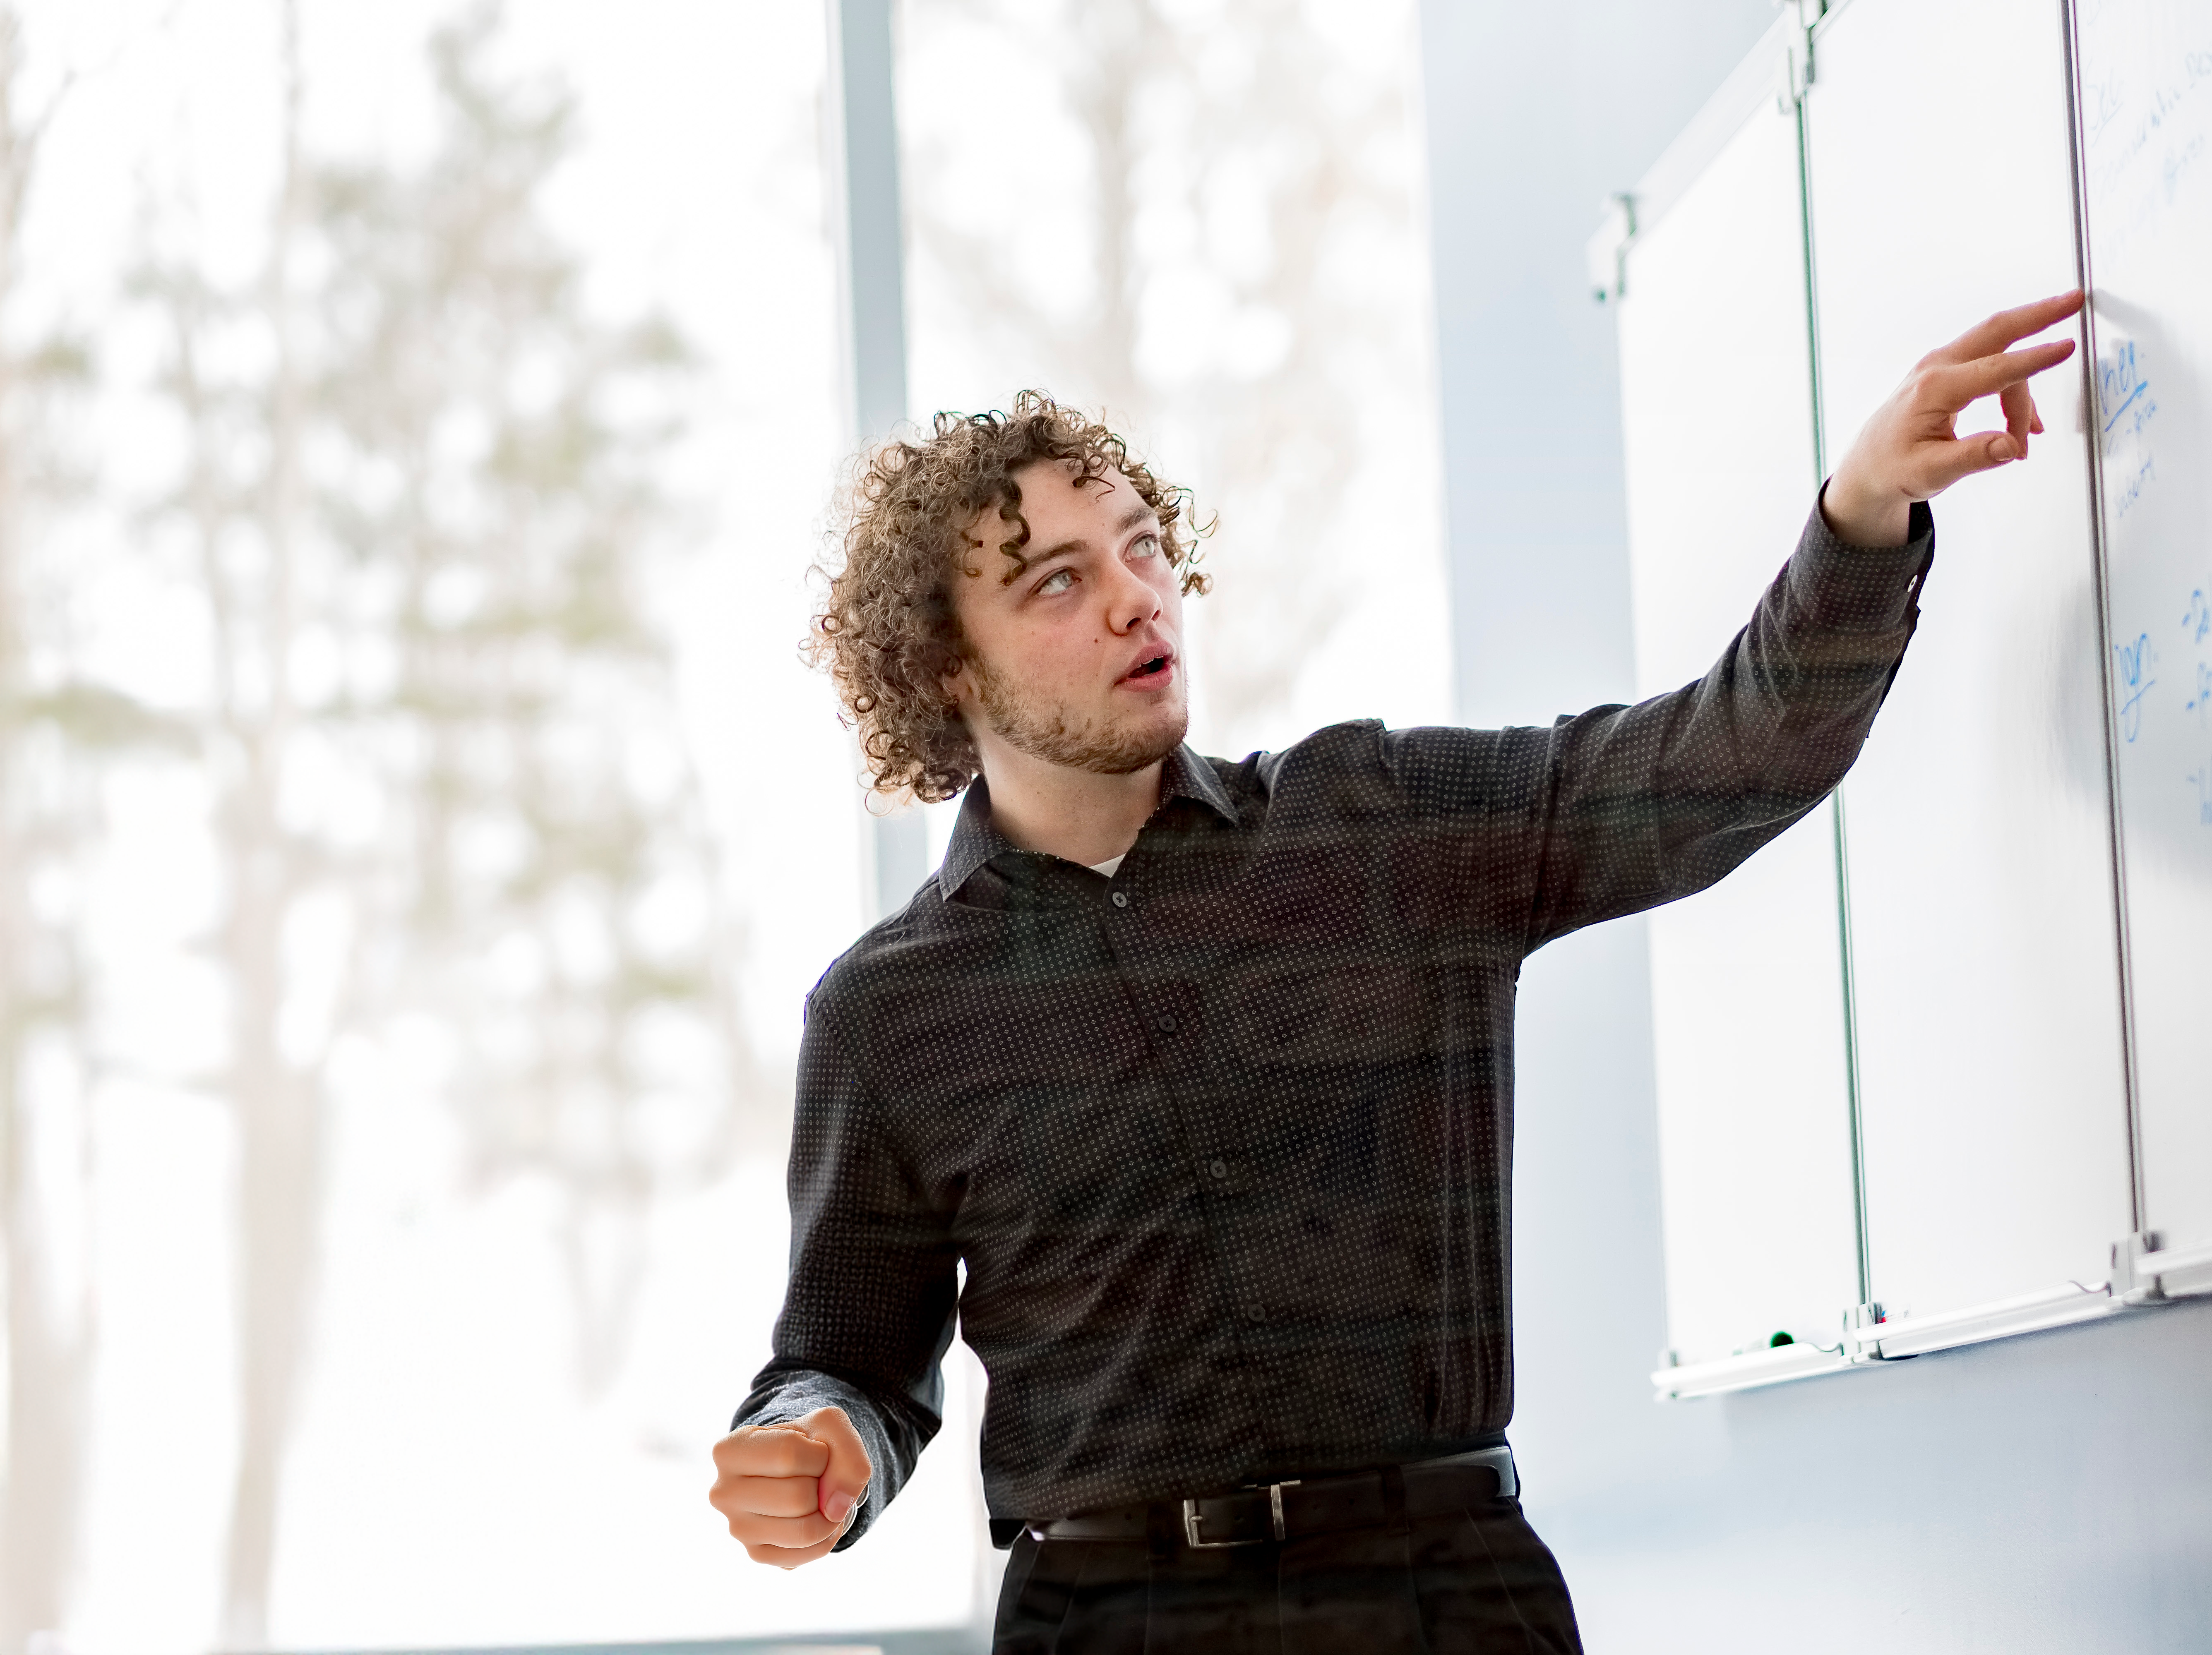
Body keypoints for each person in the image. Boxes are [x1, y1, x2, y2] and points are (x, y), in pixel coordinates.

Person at [709, 291, 2084, 1651]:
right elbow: (856, 1363)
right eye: (1059, 580)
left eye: (1142, 549)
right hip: (1105, 1624)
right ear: (947, 669)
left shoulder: (1384, 824)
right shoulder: (887, 1011)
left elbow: (1718, 763)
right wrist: (815, 1437)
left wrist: (1858, 517)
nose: (1136, 598)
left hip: (1444, 1600)